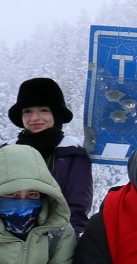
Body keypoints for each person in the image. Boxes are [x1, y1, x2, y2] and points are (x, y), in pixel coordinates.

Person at [8, 78, 92, 235]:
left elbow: (75, 210)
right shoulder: (6, 153)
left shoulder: (71, 155)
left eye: (43, 110)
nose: (34, 118)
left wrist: (62, 247)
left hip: (54, 243)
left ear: (56, 113)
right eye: (27, 111)